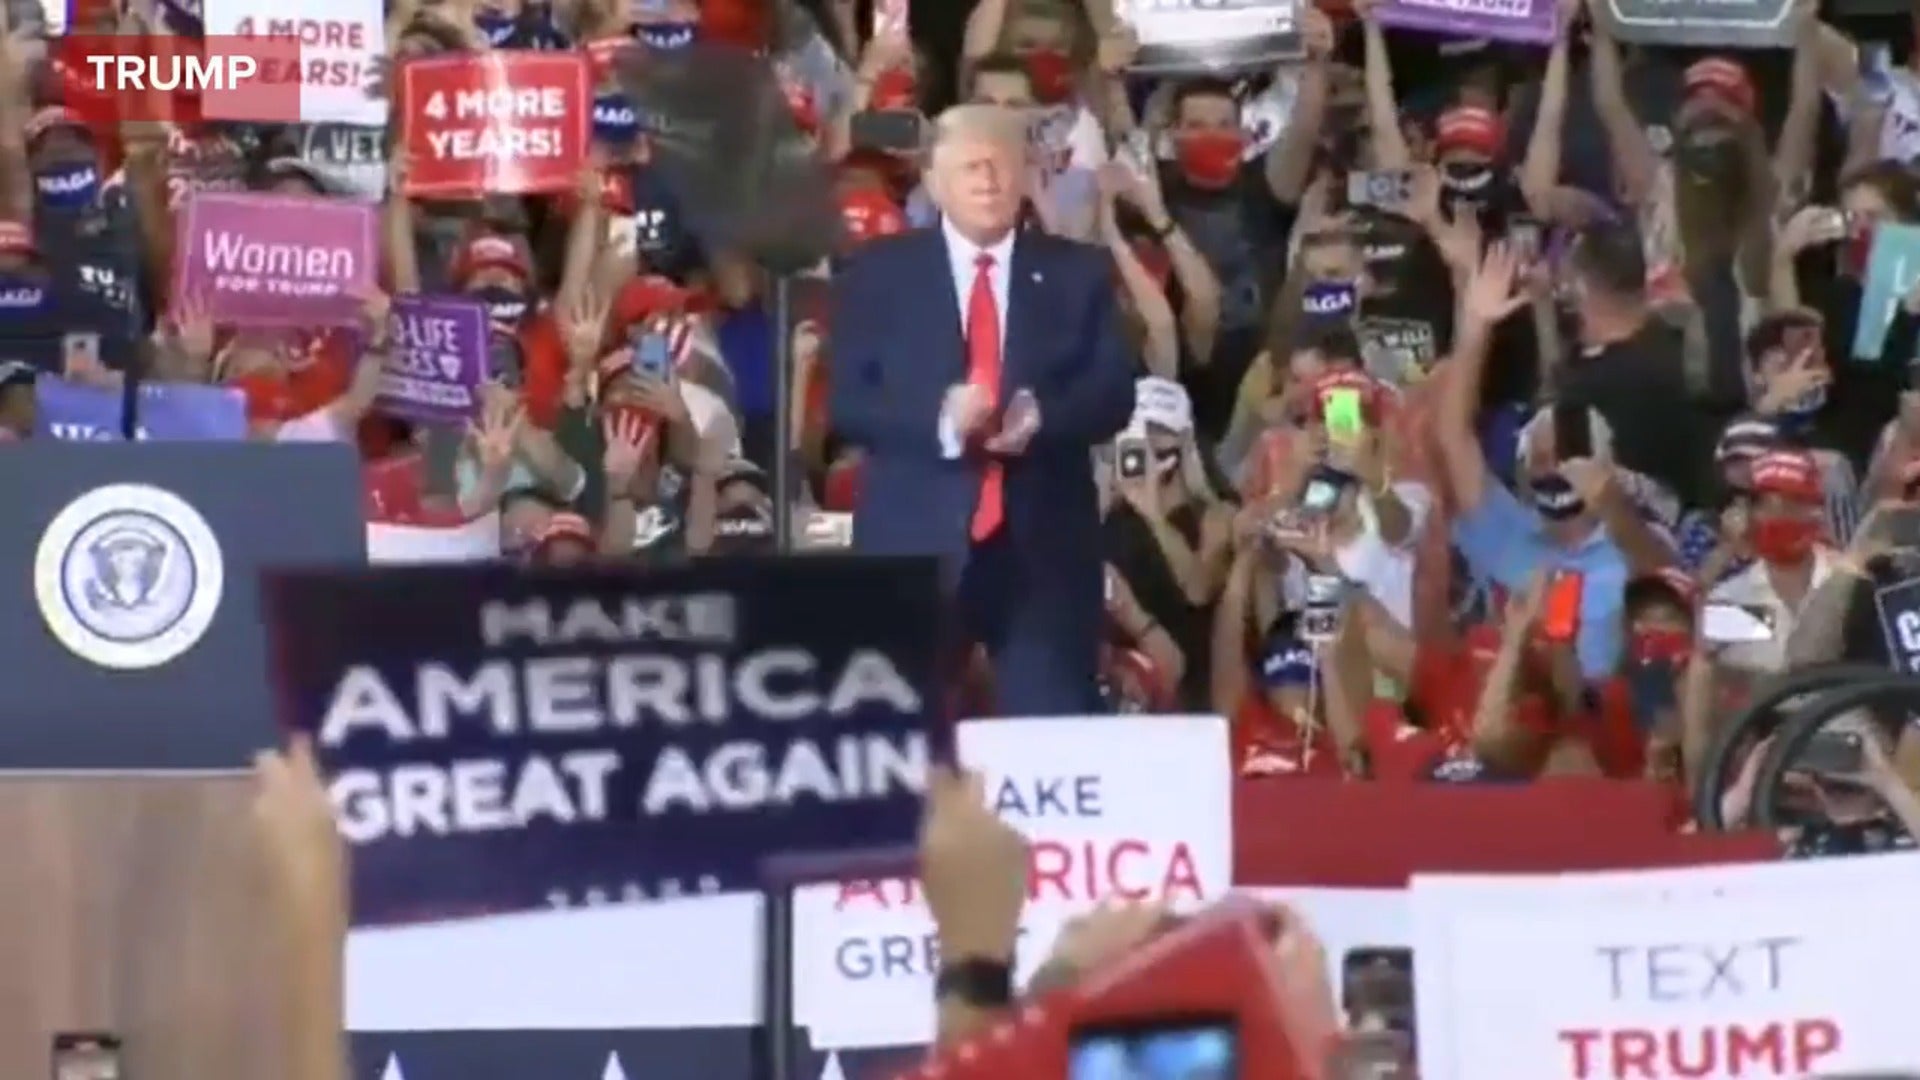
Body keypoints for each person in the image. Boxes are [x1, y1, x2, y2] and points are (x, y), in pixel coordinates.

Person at [830, 103, 1134, 715]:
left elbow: (1112, 396)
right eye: (972, 167)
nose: (989, 180)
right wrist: (941, 419)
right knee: (902, 735)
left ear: (1025, 175)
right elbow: (849, 403)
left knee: (1051, 731)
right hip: (913, 546)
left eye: (1002, 165)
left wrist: (1042, 417)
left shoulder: (1078, 273)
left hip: (1043, 553)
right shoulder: (878, 273)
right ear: (934, 181)